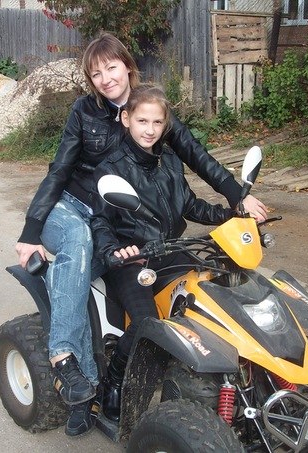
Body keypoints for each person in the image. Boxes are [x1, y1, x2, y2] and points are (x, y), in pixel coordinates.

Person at [15, 32, 267, 436]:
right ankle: (72, 369)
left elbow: (196, 158)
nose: (105, 79)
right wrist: (33, 231)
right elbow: (60, 169)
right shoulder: (85, 111)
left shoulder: (151, 110)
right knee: (78, 256)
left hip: (127, 219)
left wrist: (237, 201)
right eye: (96, 73)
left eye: (111, 67)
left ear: (128, 66)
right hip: (80, 206)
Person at [91, 84, 239, 422]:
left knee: (217, 289)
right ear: (126, 119)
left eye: (157, 122)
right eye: (142, 121)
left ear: (165, 124)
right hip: (133, 261)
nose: (150, 130)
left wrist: (229, 214)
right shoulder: (111, 168)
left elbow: (189, 204)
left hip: (171, 249)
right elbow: (100, 221)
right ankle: (113, 382)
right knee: (146, 322)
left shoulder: (169, 159)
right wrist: (115, 250)